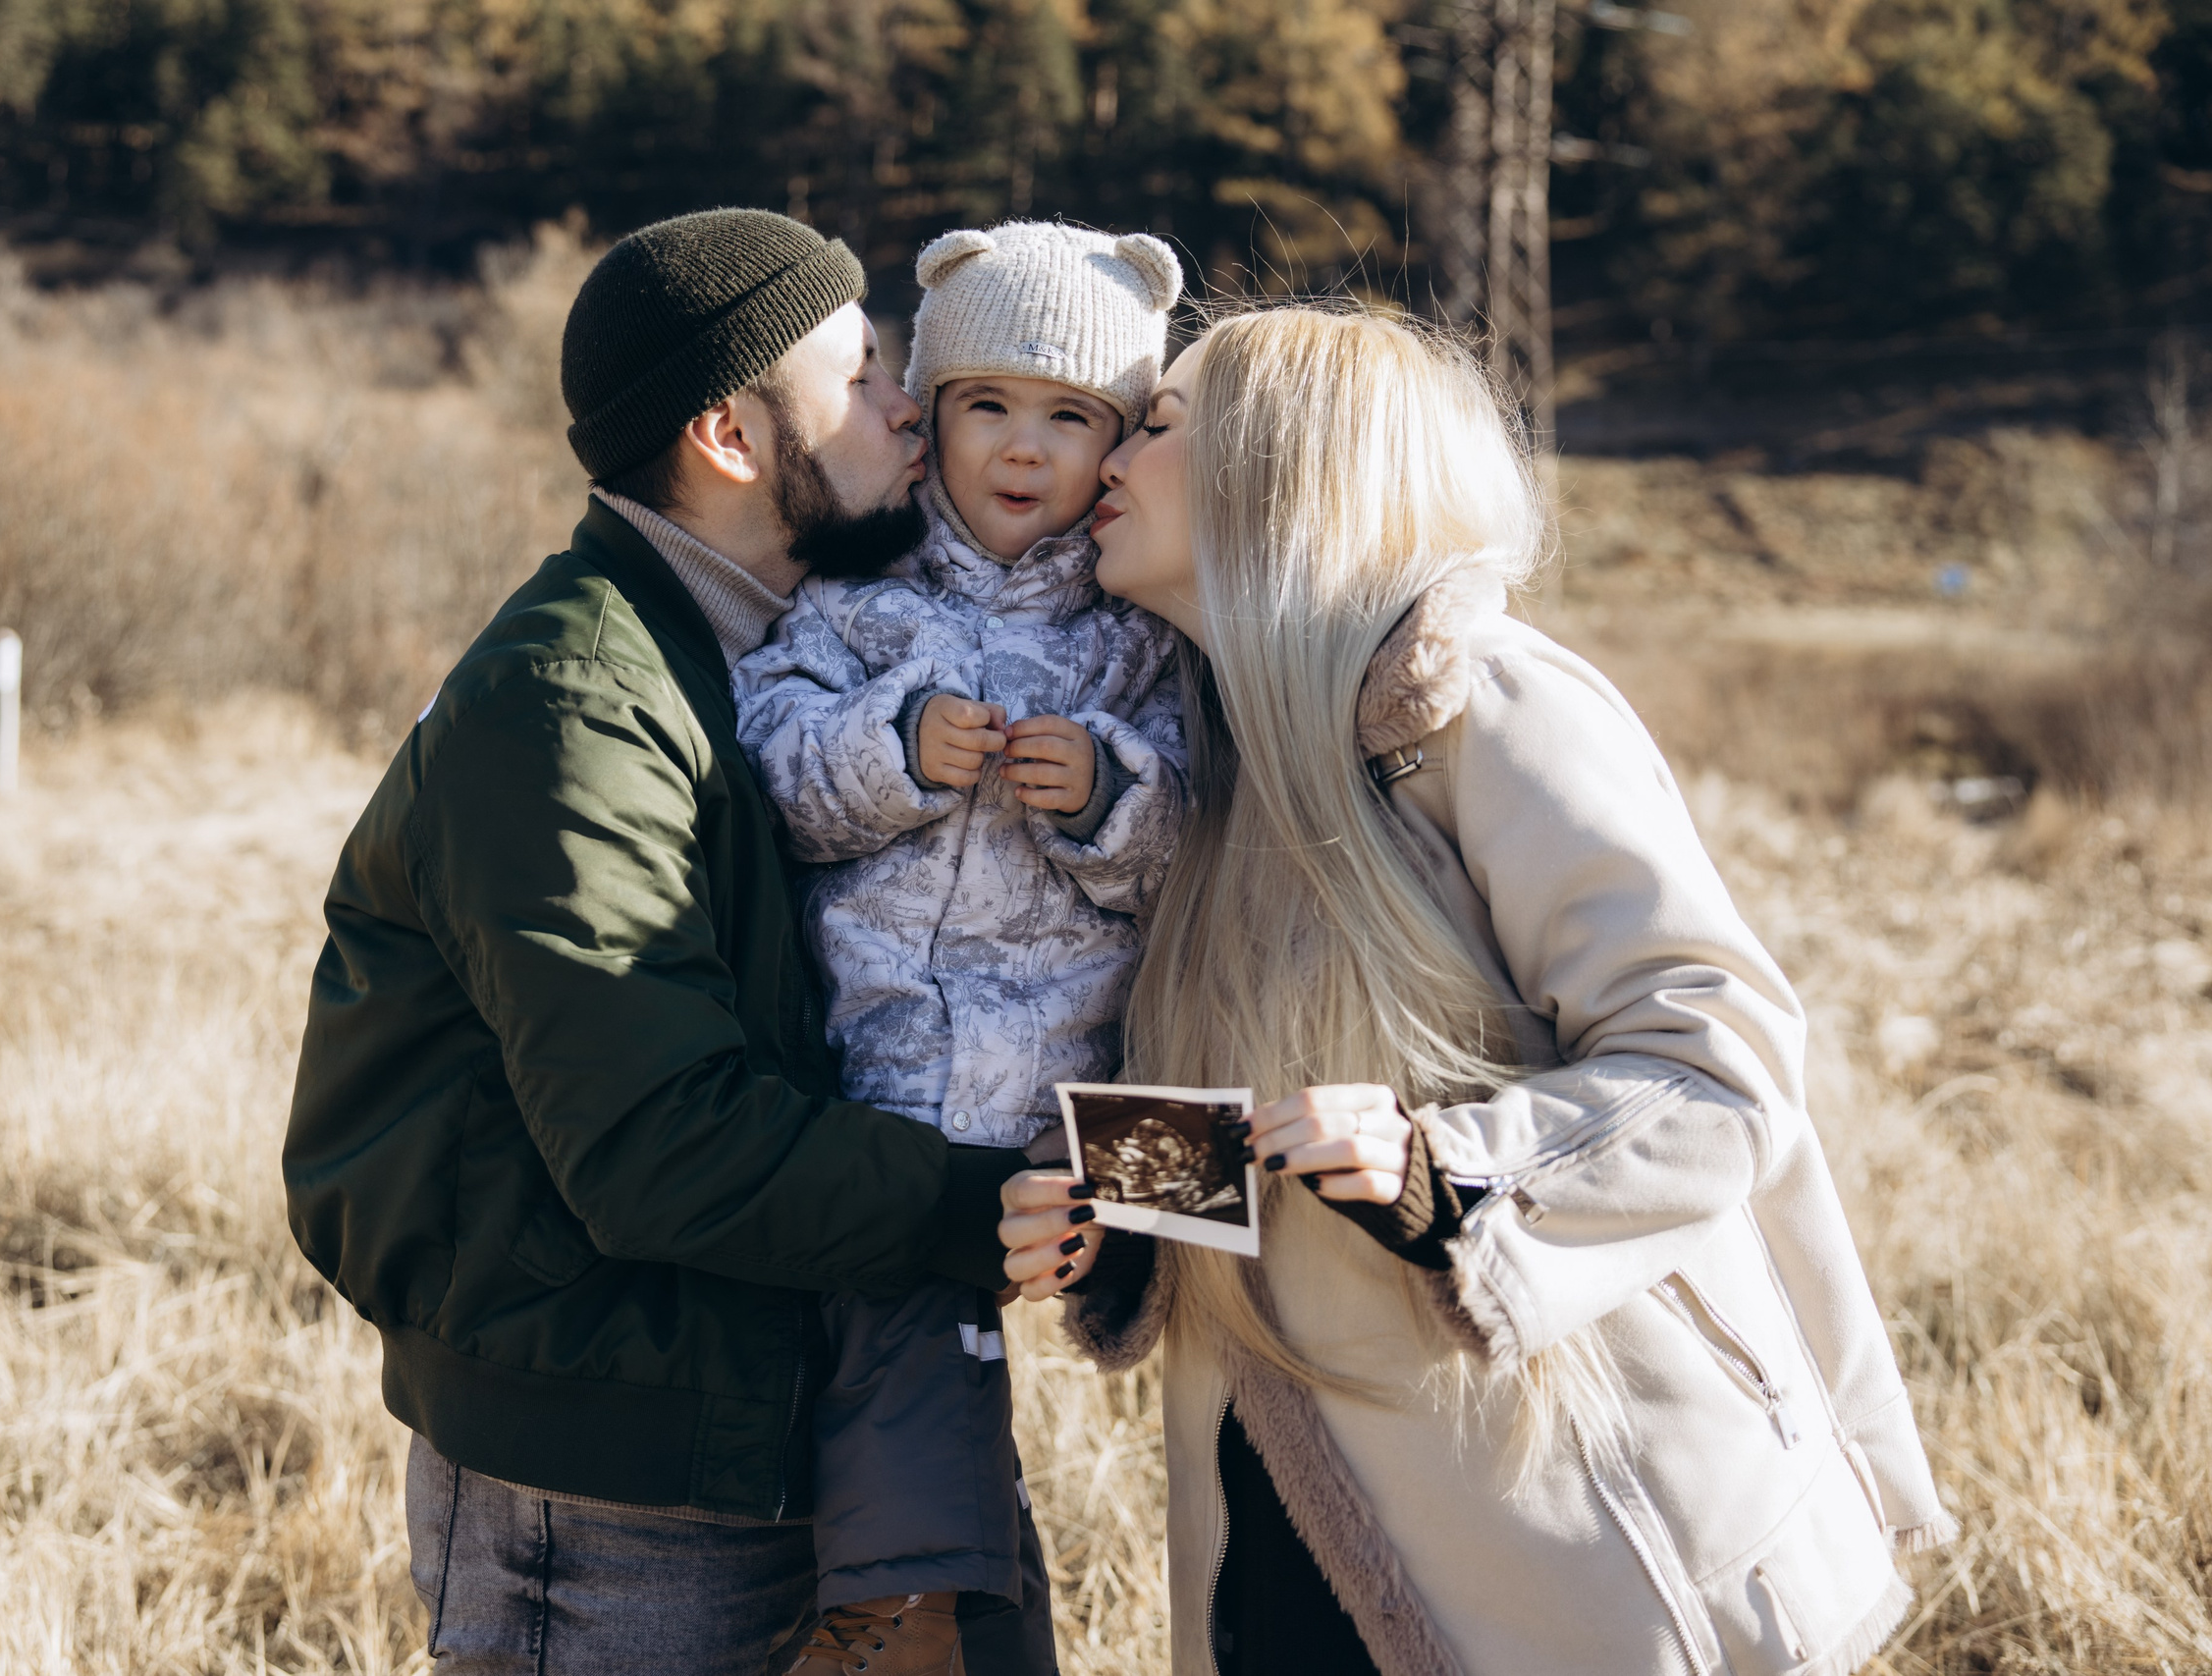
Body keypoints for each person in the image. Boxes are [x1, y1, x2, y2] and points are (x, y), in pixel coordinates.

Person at [998, 305, 1955, 1676]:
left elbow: (1721, 1064)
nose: (1105, 457)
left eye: (1157, 425)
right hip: (1288, 1524)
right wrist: (1098, 1192)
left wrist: (1449, 1167)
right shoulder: (1211, 776)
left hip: (1570, 1540)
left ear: (1284, 465)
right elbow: (1283, 1144)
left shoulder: (1487, 705)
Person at [282, 208, 1031, 1676]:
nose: (909, 412)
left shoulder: (766, 660)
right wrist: (975, 1201)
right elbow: (659, 1144)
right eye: (866, 370)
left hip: (753, 1392)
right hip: (616, 1476)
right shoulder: (571, 705)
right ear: (732, 437)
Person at [732, 221, 1188, 1675]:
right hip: (892, 1086)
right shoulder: (858, 604)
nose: (1024, 447)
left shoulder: (1139, 632)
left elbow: (1198, 842)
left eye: (1071, 417)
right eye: (989, 404)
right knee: (915, 1338)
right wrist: (892, 752)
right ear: (927, 421)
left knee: (1234, 1259)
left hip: (1084, 1099)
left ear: (1115, 445)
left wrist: (1113, 795)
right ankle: (905, 1619)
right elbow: (772, 773)